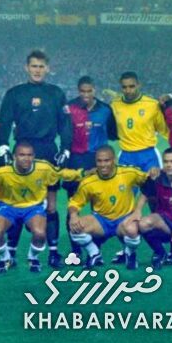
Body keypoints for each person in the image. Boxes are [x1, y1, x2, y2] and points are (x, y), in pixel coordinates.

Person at [0, 50, 73, 268]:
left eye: (41, 66)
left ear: (47, 68)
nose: (37, 70)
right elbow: (4, 122)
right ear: (26, 68)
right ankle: (11, 253)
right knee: (16, 202)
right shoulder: (15, 93)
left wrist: (66, 149)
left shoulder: (56, 93)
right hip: (22, 151)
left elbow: (65, 124)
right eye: (34, 66)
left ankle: (53, 252)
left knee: (51, 205)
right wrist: (3, 146)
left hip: (48, 151)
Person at [0, 142, 84, 273]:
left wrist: (82, 174)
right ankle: (5, 258)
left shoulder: (43, 167)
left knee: (40, 233)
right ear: (14, 156)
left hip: (33, 207)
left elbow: (61, 173)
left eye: (29, 155)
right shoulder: (1, 172)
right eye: (22, 155)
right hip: (8, 207)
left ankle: (33, 258)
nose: (26, 158)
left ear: (34, 156)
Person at [68, 145, 158, 269]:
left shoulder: (128, 172)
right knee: (75, 229)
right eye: (99, 161)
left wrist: (138, 210)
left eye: (107, 160)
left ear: (114, 160)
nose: (103, 165)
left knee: (132, 230)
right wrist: (73, 215)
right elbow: (74, 203)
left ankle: (130, 254)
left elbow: (149, 184)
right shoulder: (88, 181)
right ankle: (94, 254)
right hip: (101, 221)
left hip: (124, 219)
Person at [63, 76, 117, 257]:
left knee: (98, 205)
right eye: (82, 91)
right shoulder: (69, 108)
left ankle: (95, 247)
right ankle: (76, 249)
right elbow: (64, 132)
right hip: (76, 160)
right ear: (78, 91)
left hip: (98, 160)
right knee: (73, 205)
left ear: (95, 90)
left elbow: (113, 134)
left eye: (89, 91)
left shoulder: (106, 109)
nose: (86, 94)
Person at [111, 71, 169, 172]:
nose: (128, 90)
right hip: (126, 155)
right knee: (124, 183)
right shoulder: (114, 106)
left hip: (149, 155)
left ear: (139, 85)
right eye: (124, 87)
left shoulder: (152, 105)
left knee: (155, 182)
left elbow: (164, 130)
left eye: (131, 86)